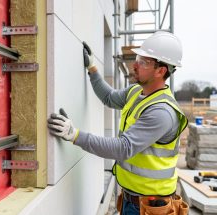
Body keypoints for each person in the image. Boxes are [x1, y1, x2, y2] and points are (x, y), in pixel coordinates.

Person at [47, 31, 188, 215]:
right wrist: (92, 67)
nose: (135, 65)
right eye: (138, 58)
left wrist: (74, 135)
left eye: (144, 62)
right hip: (132, 199)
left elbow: (123, 148)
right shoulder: (136, 92)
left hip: (150, 207)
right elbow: (109, 97)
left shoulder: (162, 112)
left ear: (161, 71)